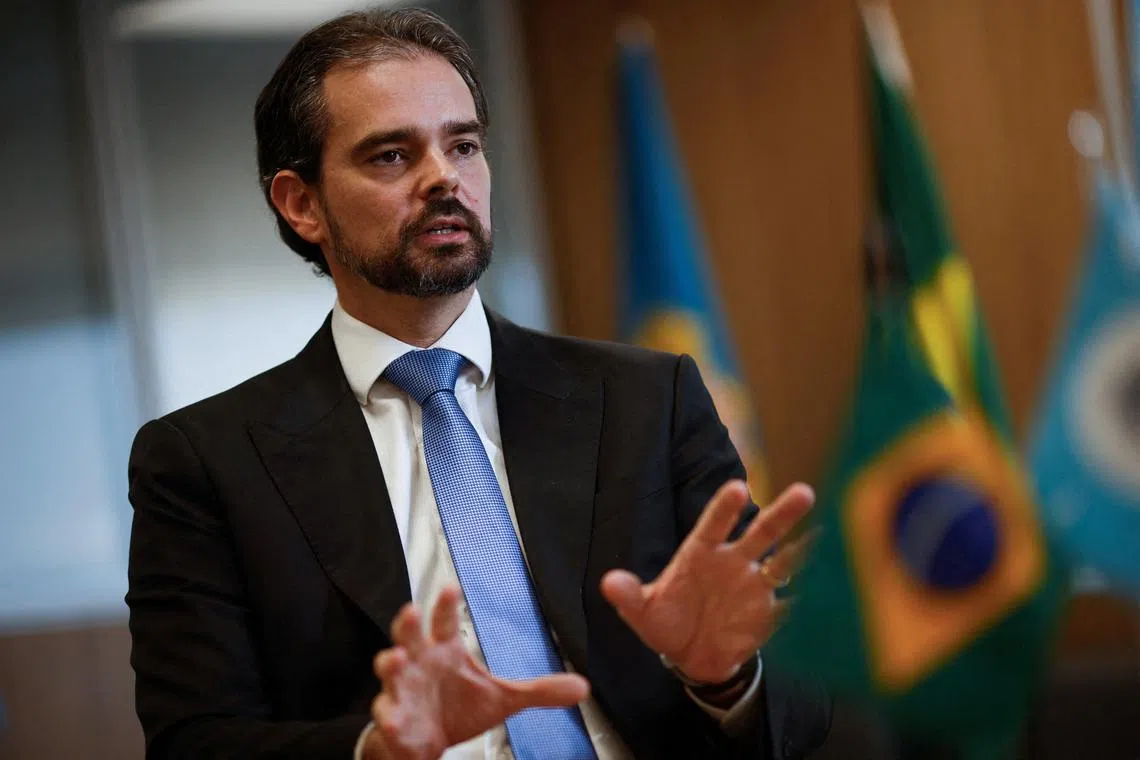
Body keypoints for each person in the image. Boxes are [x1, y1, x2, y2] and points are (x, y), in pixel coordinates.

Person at [125, 8, 831, 760]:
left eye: (462, 145)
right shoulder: (204, 464)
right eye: (392, 156)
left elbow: (803, 713)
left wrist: (723, 678)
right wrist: (376, 750)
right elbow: (193, 742)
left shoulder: (646, 401)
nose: (443, 178)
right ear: (303, 205)